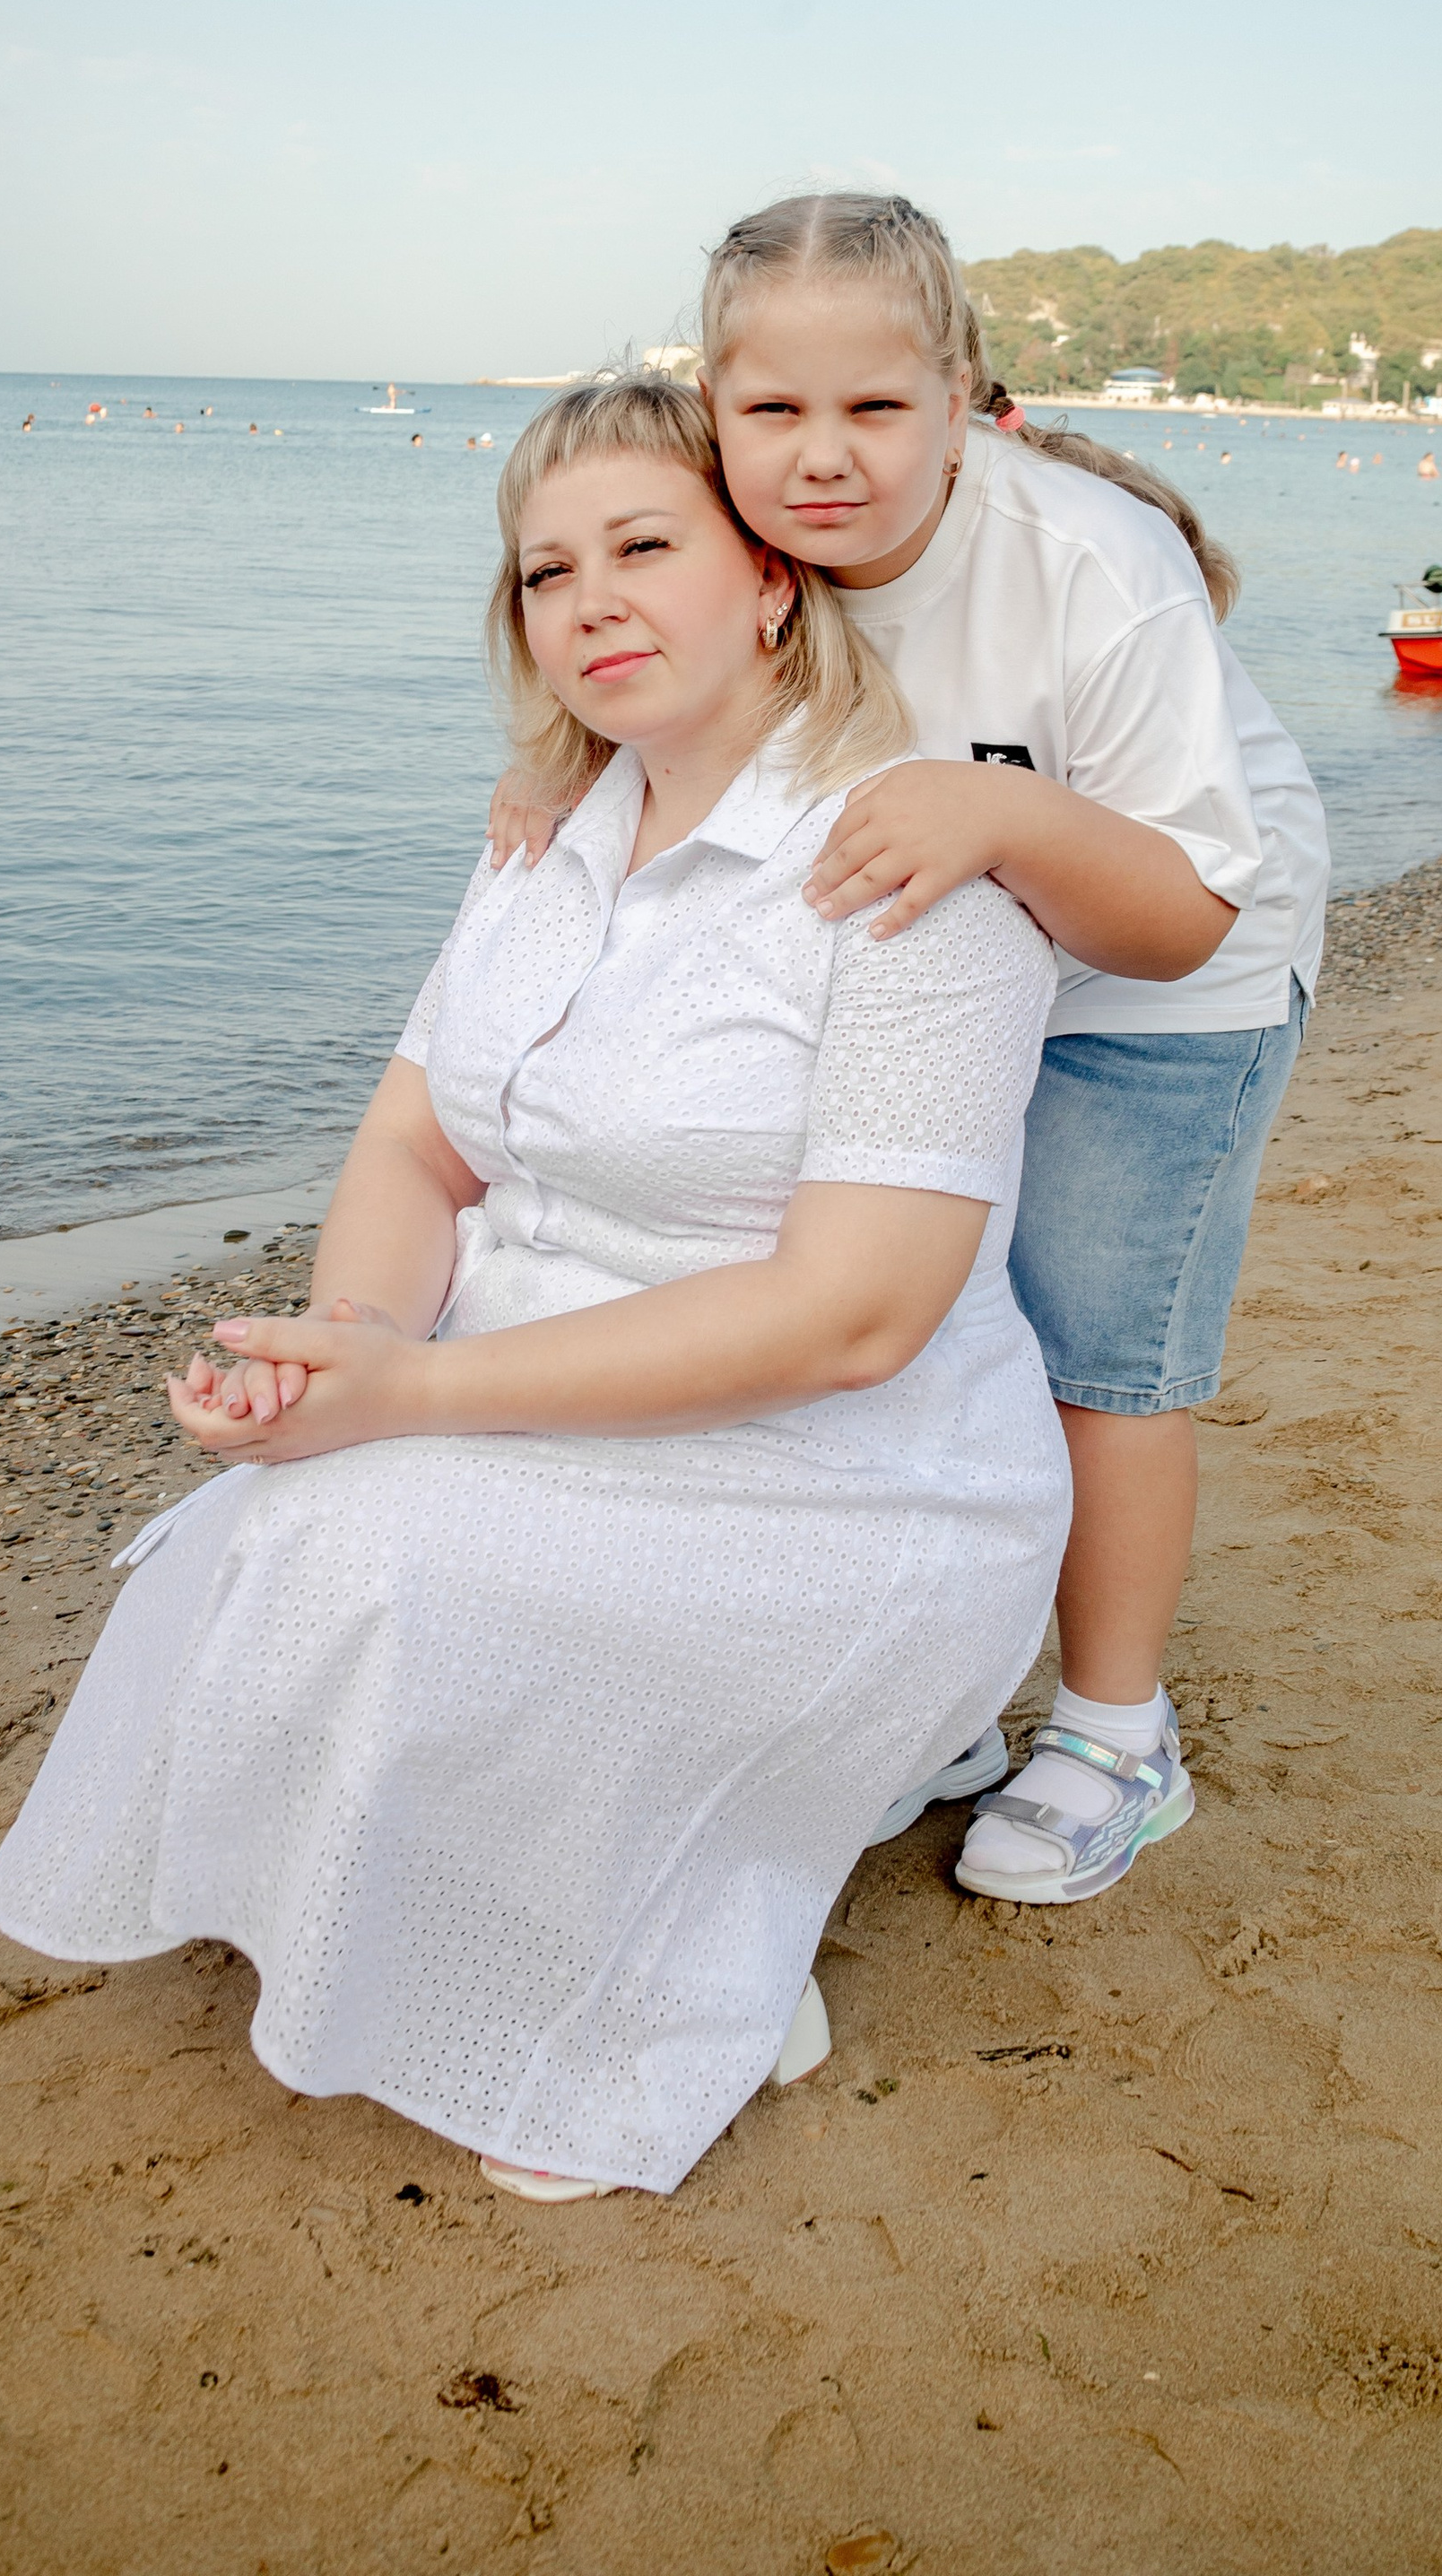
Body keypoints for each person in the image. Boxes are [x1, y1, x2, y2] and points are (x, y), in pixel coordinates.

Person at [0, 377, 1068, 2201]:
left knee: (374, 1554)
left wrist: (404, 1400)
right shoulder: (541, 845)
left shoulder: (902, 868)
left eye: (644, 545)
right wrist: (359, 1339)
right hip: (523, 1372)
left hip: (839, 1472)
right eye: (546, 570)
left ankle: (677, 1973)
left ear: (772, 581)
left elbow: (854, 1316)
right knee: (261, 1528)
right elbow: (416, 1152)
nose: (590, 601)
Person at [494, 196, 1327, 1911]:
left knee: (1098, 1347)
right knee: (917, 1323)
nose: (822, 460)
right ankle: (937, 1694)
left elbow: (1186, 918)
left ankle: (1113, 1731)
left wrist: (1007, 807)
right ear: (710, 410)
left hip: (1161, 977)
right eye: (773, 412)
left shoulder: (1089, 563)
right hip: (923, 963)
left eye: (876, 410)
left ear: (963, 400)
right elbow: (654, 651)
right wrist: (567, 761)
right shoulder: (737, 537)